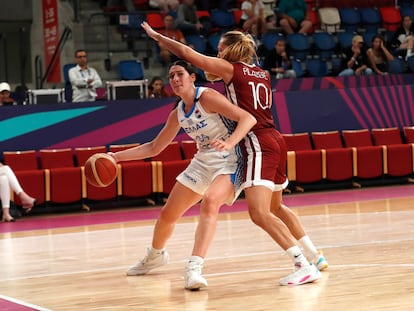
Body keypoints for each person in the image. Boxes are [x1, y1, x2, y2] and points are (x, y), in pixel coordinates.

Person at [141, 22, 328, 286]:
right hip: (276, 138)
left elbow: (190, 56)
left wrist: (159, 37)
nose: (217, 56)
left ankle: (303, 264)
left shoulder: (230, 68)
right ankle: (314, 256)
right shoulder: (260, 73)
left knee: (259, 212)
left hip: (257, 142)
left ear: (231, 51)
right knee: (276, 206)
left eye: (220, 51)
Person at [110, 61, 257, 290]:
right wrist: (115, 158)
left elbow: (248, 118)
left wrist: (229, 143)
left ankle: (194, 268)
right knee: (168, 214)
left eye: (180, 74)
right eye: (171, 76)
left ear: (192, 78)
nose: (175, 79)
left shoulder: (207, 97)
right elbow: (153, 147)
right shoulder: (178, 113)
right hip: (203, 162)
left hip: (231, 160)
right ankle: (156, 255)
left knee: (209, 202)